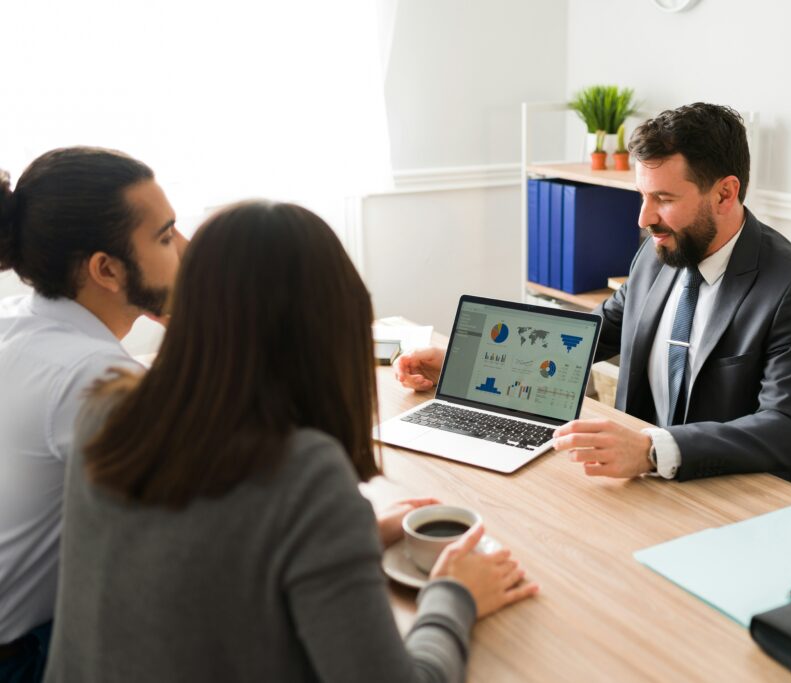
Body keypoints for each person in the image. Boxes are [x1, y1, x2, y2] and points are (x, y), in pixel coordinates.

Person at [44, 201, 538, 683]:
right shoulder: (304, 471)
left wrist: (351, 535)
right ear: (331, 326)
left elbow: (209, 560)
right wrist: (454, 594)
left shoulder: (105, 408)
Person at [395, 103, 791, 491]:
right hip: (645, 487)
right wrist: (460, 362)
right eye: (642, 196)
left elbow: (790, 429)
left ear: (725, 193)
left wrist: (650, 449)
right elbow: (591, 334)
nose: (645, 219)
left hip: (737, 497)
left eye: (663, 198)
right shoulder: (658, 251)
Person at [0, 147, 186, 682]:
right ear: (106, 269)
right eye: (166, 236)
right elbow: (232, 494)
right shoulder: (91, 377)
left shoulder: (23, 322)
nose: (181, 251)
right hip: (24, 659)